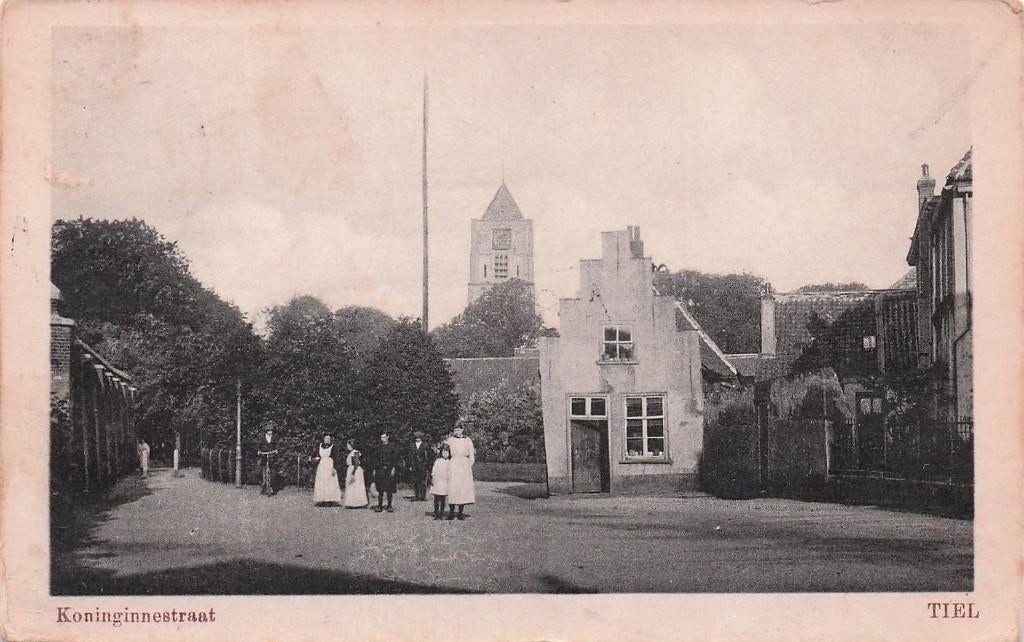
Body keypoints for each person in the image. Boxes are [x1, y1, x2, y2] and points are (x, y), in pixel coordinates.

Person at [445, 423, 476, 520]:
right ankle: (451, 512)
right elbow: (445, 452)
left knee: (462, 488)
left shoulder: (467, 440)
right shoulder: (450, 440)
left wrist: (468, 465)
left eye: (458, 429)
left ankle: (460, 513)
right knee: (453, 487)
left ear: (462, 430)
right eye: (455, 430)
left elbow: (471, 454)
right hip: (453, 464)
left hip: (464, 465)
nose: (456, 431)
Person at [372, 432, 399, 513]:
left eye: (384, 437)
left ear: (388, 437)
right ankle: (379, 506)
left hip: (389, 469)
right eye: (381, 437)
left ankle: (389, 506)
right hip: (379, 469)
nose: (382, 439)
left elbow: (395, 459)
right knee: (380, 489)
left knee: (389, 489)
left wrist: (393, 468)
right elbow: (375, 459)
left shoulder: (392, 446)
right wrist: (374, 469)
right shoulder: (378, 447)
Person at [312, 434, 342, 505]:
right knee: (321, 481)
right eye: (326, 438)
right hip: (322, 465)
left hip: (329, 465)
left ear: (331, 439)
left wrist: (334, 468)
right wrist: (316, 458)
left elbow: (336, 458)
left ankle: (330, 499)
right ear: (323, 439)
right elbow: (316, 455)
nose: (327, 440)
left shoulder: (333, 447)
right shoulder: (320, 446)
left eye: (329, 439)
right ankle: (321, 499)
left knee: (330, 481)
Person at [408, 430, 433, 501]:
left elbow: (429, 456)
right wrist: (410, 465)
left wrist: (427, 465)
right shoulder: (412, 445)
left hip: (423, 465)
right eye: (416, 437)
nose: (417, 438)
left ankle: (423, 496)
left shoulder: (425, 445)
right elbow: (409, 456)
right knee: (415, 481)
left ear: (421, 437)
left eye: (419, 437)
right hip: (414, 465)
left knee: (423, 481)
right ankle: (416, 495)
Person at [343, 440, 368, 509]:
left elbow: (356, 463)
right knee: (352, 486)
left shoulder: (355, 452)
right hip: (352, 469)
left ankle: (358, 503)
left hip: (355, 470)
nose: (347, 446)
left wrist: (353, 473)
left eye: (348, 445)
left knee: (356, 486)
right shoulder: (352, 452)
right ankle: (352, 502)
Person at [429, 444, 451, 520]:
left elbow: (450, 472)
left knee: (443, 499)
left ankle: (441, 513)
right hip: (437, 481)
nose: (445, 454)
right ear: (441, 453)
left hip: (445, 482)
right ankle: (436, 512)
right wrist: (433, 477)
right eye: (444, 453)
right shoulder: (438, 461)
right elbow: (434, 470)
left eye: (447, 453)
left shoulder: (449, 462)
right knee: (436, 498)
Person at [257, 425, 279, 496]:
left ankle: (271, 486)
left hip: (271, 455)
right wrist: (259, 451)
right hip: (263, 455)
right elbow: (259, 445)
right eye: (269, 431)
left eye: (271, 431)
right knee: (263, 471)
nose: (271, 432)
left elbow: (276, 445)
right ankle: (264, 486)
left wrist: (276, 450)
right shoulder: (262, 438)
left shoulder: (274, 437)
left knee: (273, 472)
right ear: (266, 431)